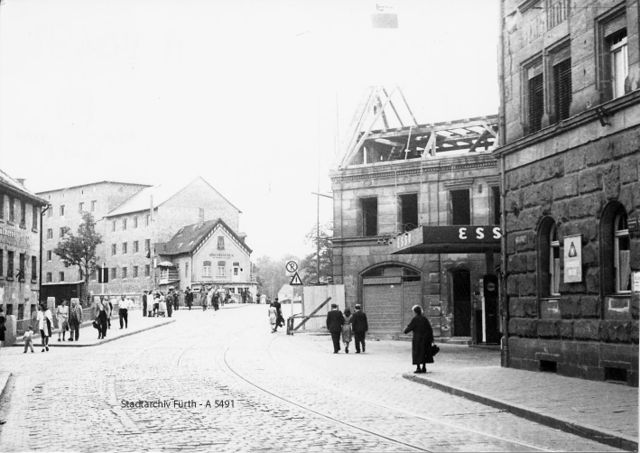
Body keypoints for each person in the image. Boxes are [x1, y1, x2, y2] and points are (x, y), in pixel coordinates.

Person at [403, 305, 434, 374]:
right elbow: (430, 329)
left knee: (417, 353)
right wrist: (431, 339)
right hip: (425, 339)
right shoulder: (424, 319)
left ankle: (418, 368)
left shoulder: (415, 319)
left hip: (417, 339)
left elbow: (409, 328)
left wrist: (405, 331)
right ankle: (424, 367)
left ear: (415, 312)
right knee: (424, 352)